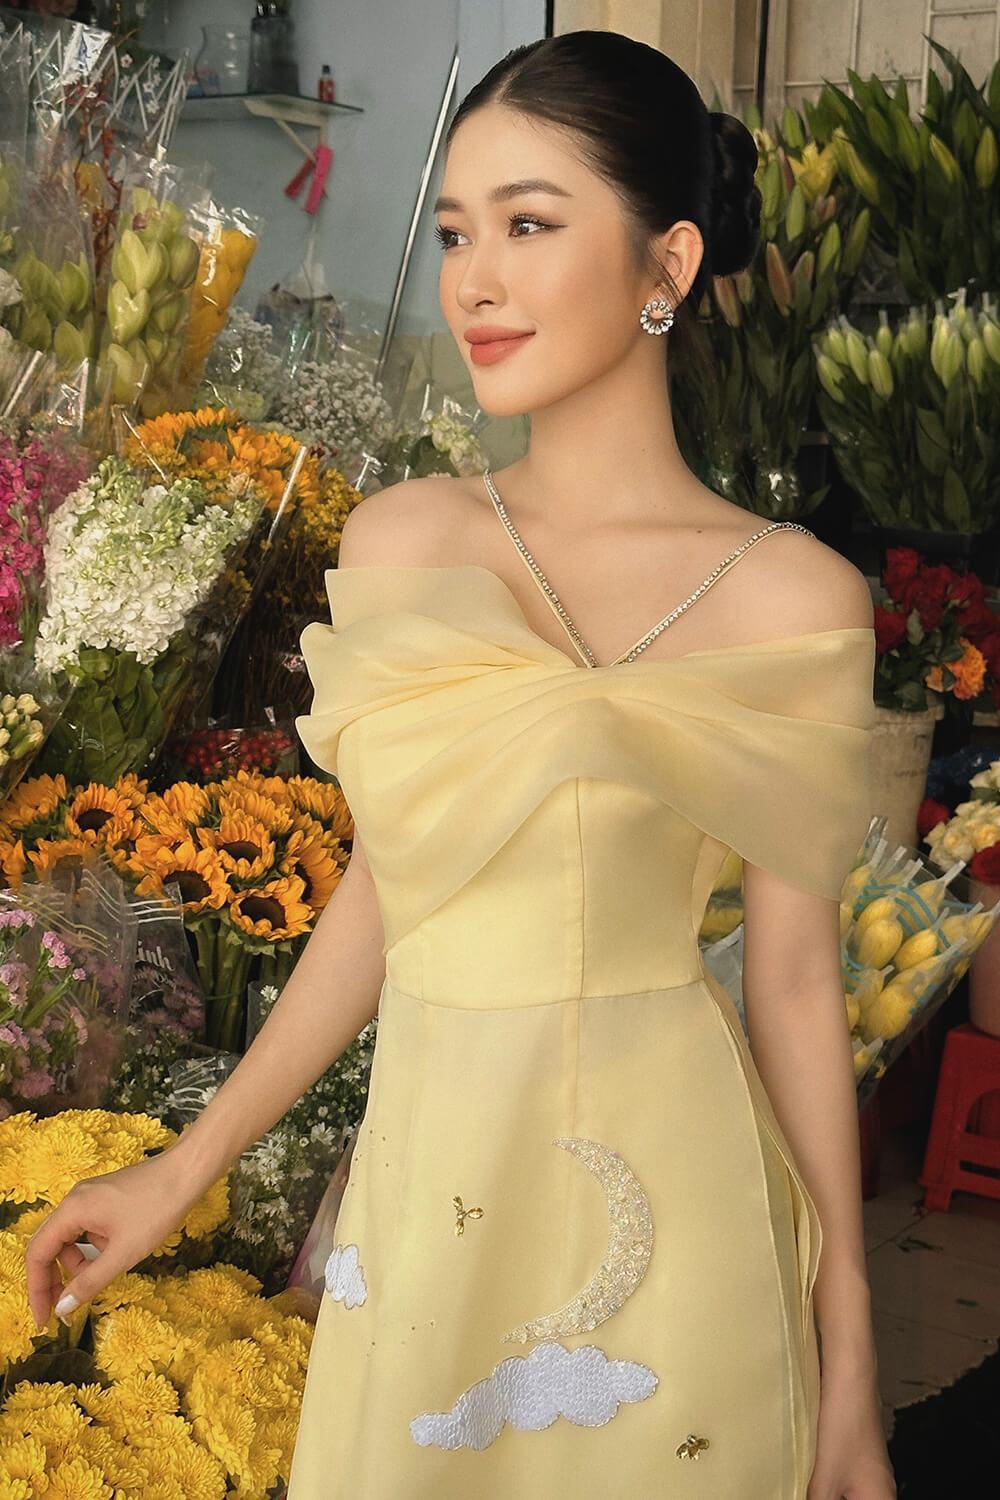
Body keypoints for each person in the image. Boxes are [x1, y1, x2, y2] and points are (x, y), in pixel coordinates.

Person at [24, 30, 897, 1500]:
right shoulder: (407, 544)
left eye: (530, 224)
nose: (474, 281)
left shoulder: (794, 598)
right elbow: (386, 895)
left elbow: (797, 987)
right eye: (453, 232)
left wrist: (852, 1347)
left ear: (669, 262)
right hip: (437, 1206)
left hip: (683, 1216)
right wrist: (183, 1169)